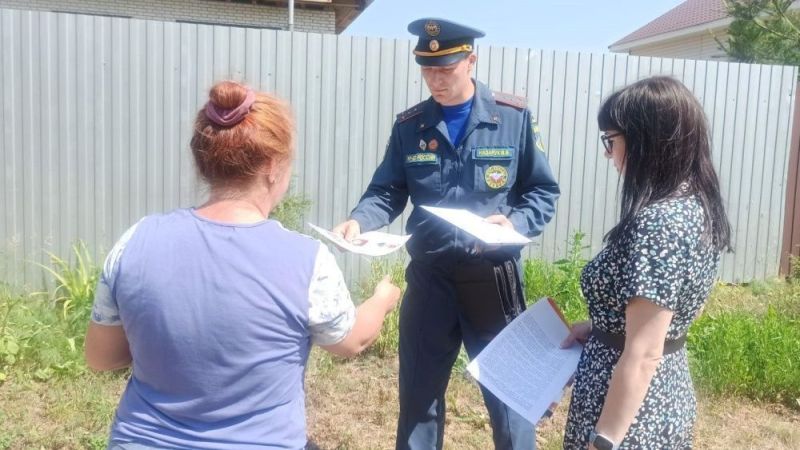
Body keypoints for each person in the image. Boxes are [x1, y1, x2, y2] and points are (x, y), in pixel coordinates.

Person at [84, 80, 401, 450]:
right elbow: (350, 341)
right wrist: (382, 298)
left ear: (203, 161)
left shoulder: (135, 241)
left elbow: (101, 357)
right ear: (272, 166)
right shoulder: (307, 259)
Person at [333, 18, 560, 450]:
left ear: (471, 61)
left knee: (509, 403)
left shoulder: (512, 119)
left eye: (446, 69)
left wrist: (515, 224)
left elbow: (543, 191)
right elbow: (387, 190)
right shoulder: (411, 126)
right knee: (418, 398)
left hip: (492, 280)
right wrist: (359, 220)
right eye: (427, 69)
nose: (435, 80)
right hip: (431, 279)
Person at [561, 76, 732, 449]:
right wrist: (601, 327)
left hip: (630, 414)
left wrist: (603, 441)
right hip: (662, 392)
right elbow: (678, 309)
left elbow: (643, 353)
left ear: (646, 140)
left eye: (611, 140)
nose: (608, 153)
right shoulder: (694, 205)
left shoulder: (658, 222)